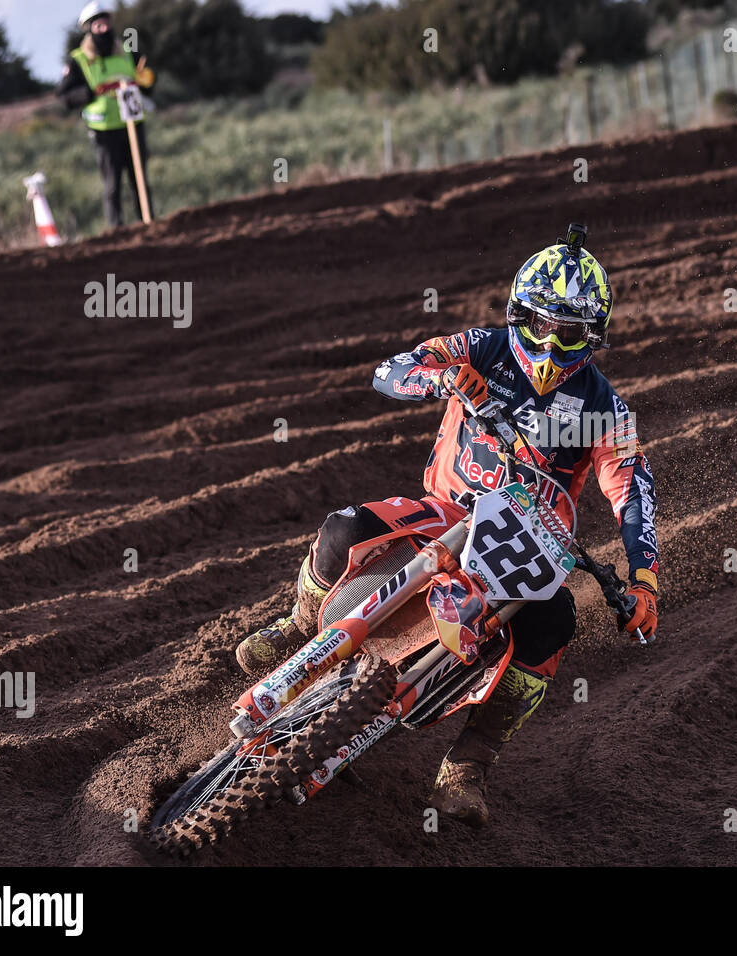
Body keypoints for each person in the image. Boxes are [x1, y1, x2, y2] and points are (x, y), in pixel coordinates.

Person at [235, 225, 660, 827]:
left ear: (591, 338)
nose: (549, 341)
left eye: (567, 333)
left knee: (554, 624)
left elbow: (632, 488)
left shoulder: (602, 406)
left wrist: (643, 577)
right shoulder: (484, 347)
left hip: (529, 544)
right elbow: (390, 370)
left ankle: (467, 767)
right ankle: (300, 625)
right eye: (539, 324)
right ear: (519, 314)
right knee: (344, 530)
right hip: (449, 511)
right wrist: (438, 376)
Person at [54, 2, 156, 228]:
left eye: (106, 22)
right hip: (104, 131)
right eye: (97, 24)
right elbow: (64, 97)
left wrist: (147, 80)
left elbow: (146, 83)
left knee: (140, 179)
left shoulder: (128, 50)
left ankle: (149, 224)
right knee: (112, 185)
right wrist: (90, 93)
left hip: (133, 123)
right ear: (89, 28)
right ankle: (117, 230)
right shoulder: (79, 60)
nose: (103, 27)